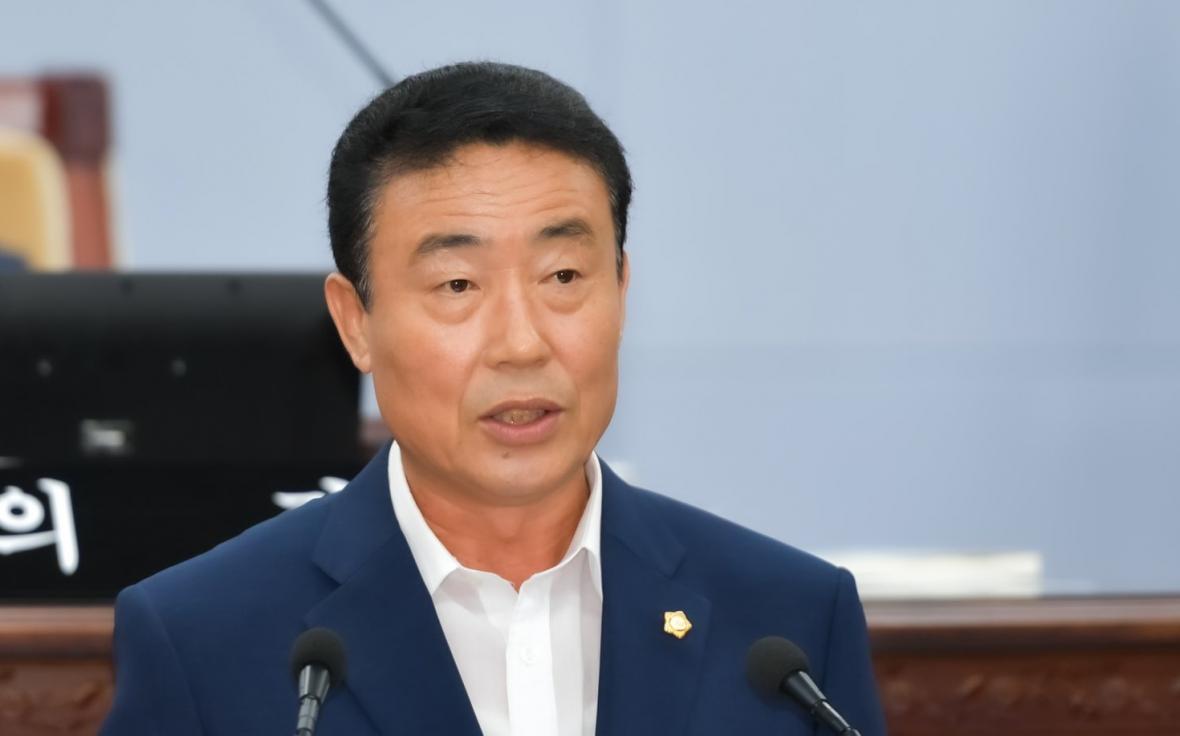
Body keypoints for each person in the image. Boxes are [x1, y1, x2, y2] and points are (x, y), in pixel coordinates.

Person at [101, 62, 886, 736]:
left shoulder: (787, 625)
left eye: (564, 277)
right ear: (356, 323)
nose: (521, 342)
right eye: (457, 285)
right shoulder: (203, 639)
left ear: (622, 289)